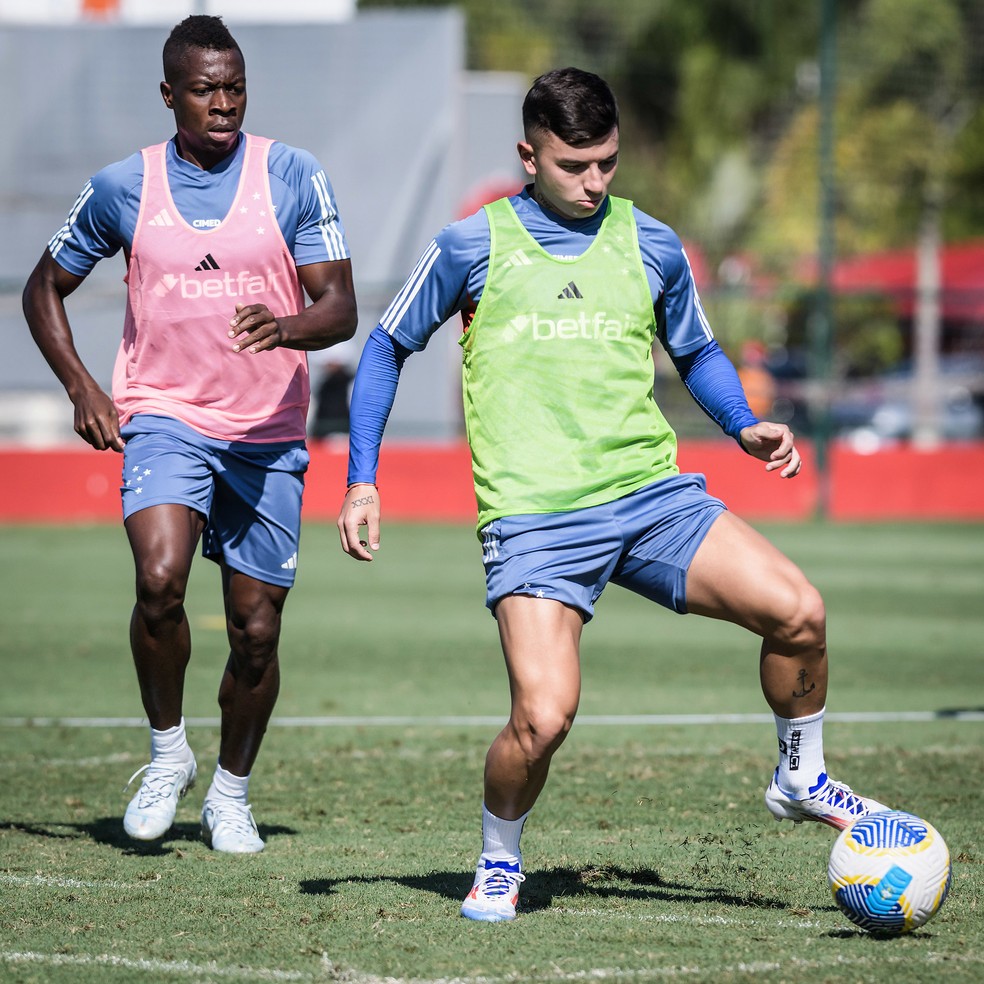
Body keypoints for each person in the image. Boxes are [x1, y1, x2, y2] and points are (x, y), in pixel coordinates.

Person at [337, 67, 888, 921]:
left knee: (801, 612)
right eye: (574, 166)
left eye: (608, 163)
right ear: (528, 155)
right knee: (544, 718)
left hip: (651, 498)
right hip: (535, 520)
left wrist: (741, 423)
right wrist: (362, 480)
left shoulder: (651, 241)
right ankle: (498, 859)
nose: (595, 183)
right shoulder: (469, 247)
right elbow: (383, 350)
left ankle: (801, 773)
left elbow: (697, 350)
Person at [23, 15, 357, 854]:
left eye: (235, 87)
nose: (223, 103)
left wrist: (286, 327)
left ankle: (231, 794)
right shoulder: (122, 188)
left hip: (268, 432)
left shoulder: (291, 174)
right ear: (169, 94)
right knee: (160, 578)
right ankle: (168, 754)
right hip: (165, 415)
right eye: (205, 89)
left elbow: (339, 308)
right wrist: (82, 387)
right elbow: (43, 288)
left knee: (255, 630)